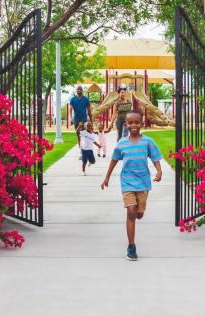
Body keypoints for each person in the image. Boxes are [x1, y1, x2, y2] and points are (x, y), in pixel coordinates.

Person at [100, 111, 163, 261]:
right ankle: (131, 246)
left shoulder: (147, 142)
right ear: (126, 125)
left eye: (137, 122)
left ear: (141, 123)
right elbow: (114, 160)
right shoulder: (122, 142)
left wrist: (159, 171)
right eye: (130, 123)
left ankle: (139, 213)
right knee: (131, 211)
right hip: (127, 181)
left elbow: (155, 158)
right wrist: (107, 177)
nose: (133, 125)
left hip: (143, 182)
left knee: (139, 213)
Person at [69, 85, 93, 155]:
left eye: (80, 89)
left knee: (84, 136)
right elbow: (70, 109)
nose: (79, 90)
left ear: (82, 90)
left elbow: (89, 111)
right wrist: (71, 118)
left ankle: (84, 150)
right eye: (78, 89)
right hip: (76, 120)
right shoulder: (73, 99)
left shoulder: (86, 99)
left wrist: (91, 121)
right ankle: (81, 151)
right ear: (76, 90)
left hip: (84, 120)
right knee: (78, 136)